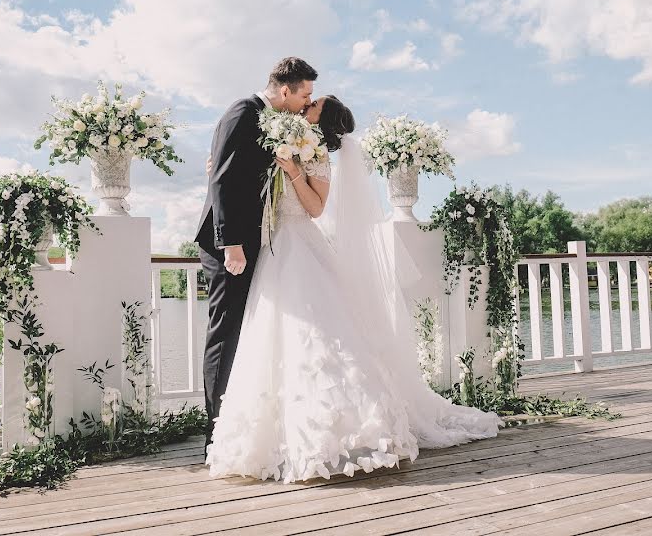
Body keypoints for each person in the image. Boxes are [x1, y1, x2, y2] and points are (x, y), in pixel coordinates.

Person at [205, 95, 502, 483]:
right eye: (306, 101)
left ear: (321, 120)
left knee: (322, 339)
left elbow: (314, 208)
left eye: (311, 107)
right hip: (273, 248)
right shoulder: (285, 142)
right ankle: (276, 435)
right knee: (272, 340)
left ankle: (346, 434)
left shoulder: (316, 156)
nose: (303, 108)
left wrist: (293, 169)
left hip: (301, 247)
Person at [194, 57, 317, 447]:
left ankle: (240, 420)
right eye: (304, 94)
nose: (305, 103)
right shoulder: (242, 112)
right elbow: (223, 178)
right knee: (225, 331)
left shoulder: (272, 121)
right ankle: (216, 429)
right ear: (285, 91)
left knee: (247, 330)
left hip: (255, 240)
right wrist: (230, 243)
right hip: (229, 244)